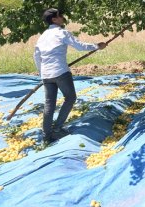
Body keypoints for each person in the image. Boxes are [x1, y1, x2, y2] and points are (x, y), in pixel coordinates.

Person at [34, 8, 107, 144]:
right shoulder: (62, 33)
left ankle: (46, 135)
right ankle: (57, 129)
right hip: (60, 71)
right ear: (54, 19)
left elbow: (37, 56)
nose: (62, 17)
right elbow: (79, 46)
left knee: (49, 103)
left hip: (46, 74)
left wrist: (42, 72)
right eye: (59, 15)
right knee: (71, 97)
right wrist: (97, 46)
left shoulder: (42, 36)